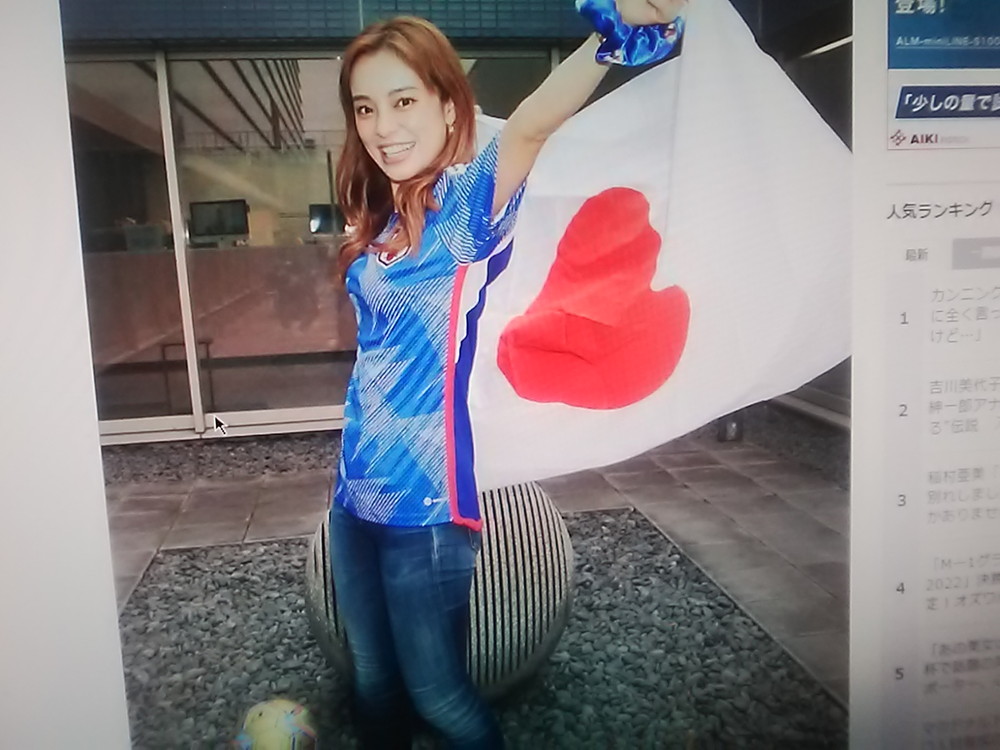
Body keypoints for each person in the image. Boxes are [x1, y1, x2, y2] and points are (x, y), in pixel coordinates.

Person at [327, 2, 687, 747]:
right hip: (351, 497)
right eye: (366, 108)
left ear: (446, 105)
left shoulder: (465, 208)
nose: (382, 126)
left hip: (426, 509)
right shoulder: (385, 220)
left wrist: (611, 36)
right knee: (370, 679)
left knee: (438, 695)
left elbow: (528, 127)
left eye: (403, 101)